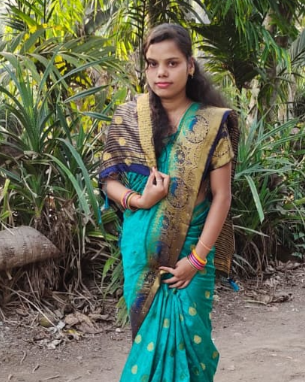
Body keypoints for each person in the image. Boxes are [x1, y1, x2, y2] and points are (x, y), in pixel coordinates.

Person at [99, 23, 239, 382]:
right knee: (148, 353)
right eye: (153, 64)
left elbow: (222, 196)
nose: (161, 72)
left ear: (190, 66)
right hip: (141, 257)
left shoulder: (211, 123)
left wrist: (196, 259)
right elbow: (108, 180)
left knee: (191, 346)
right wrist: (139, 199)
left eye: (172, 63)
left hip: (193, 252)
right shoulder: (129, 118)